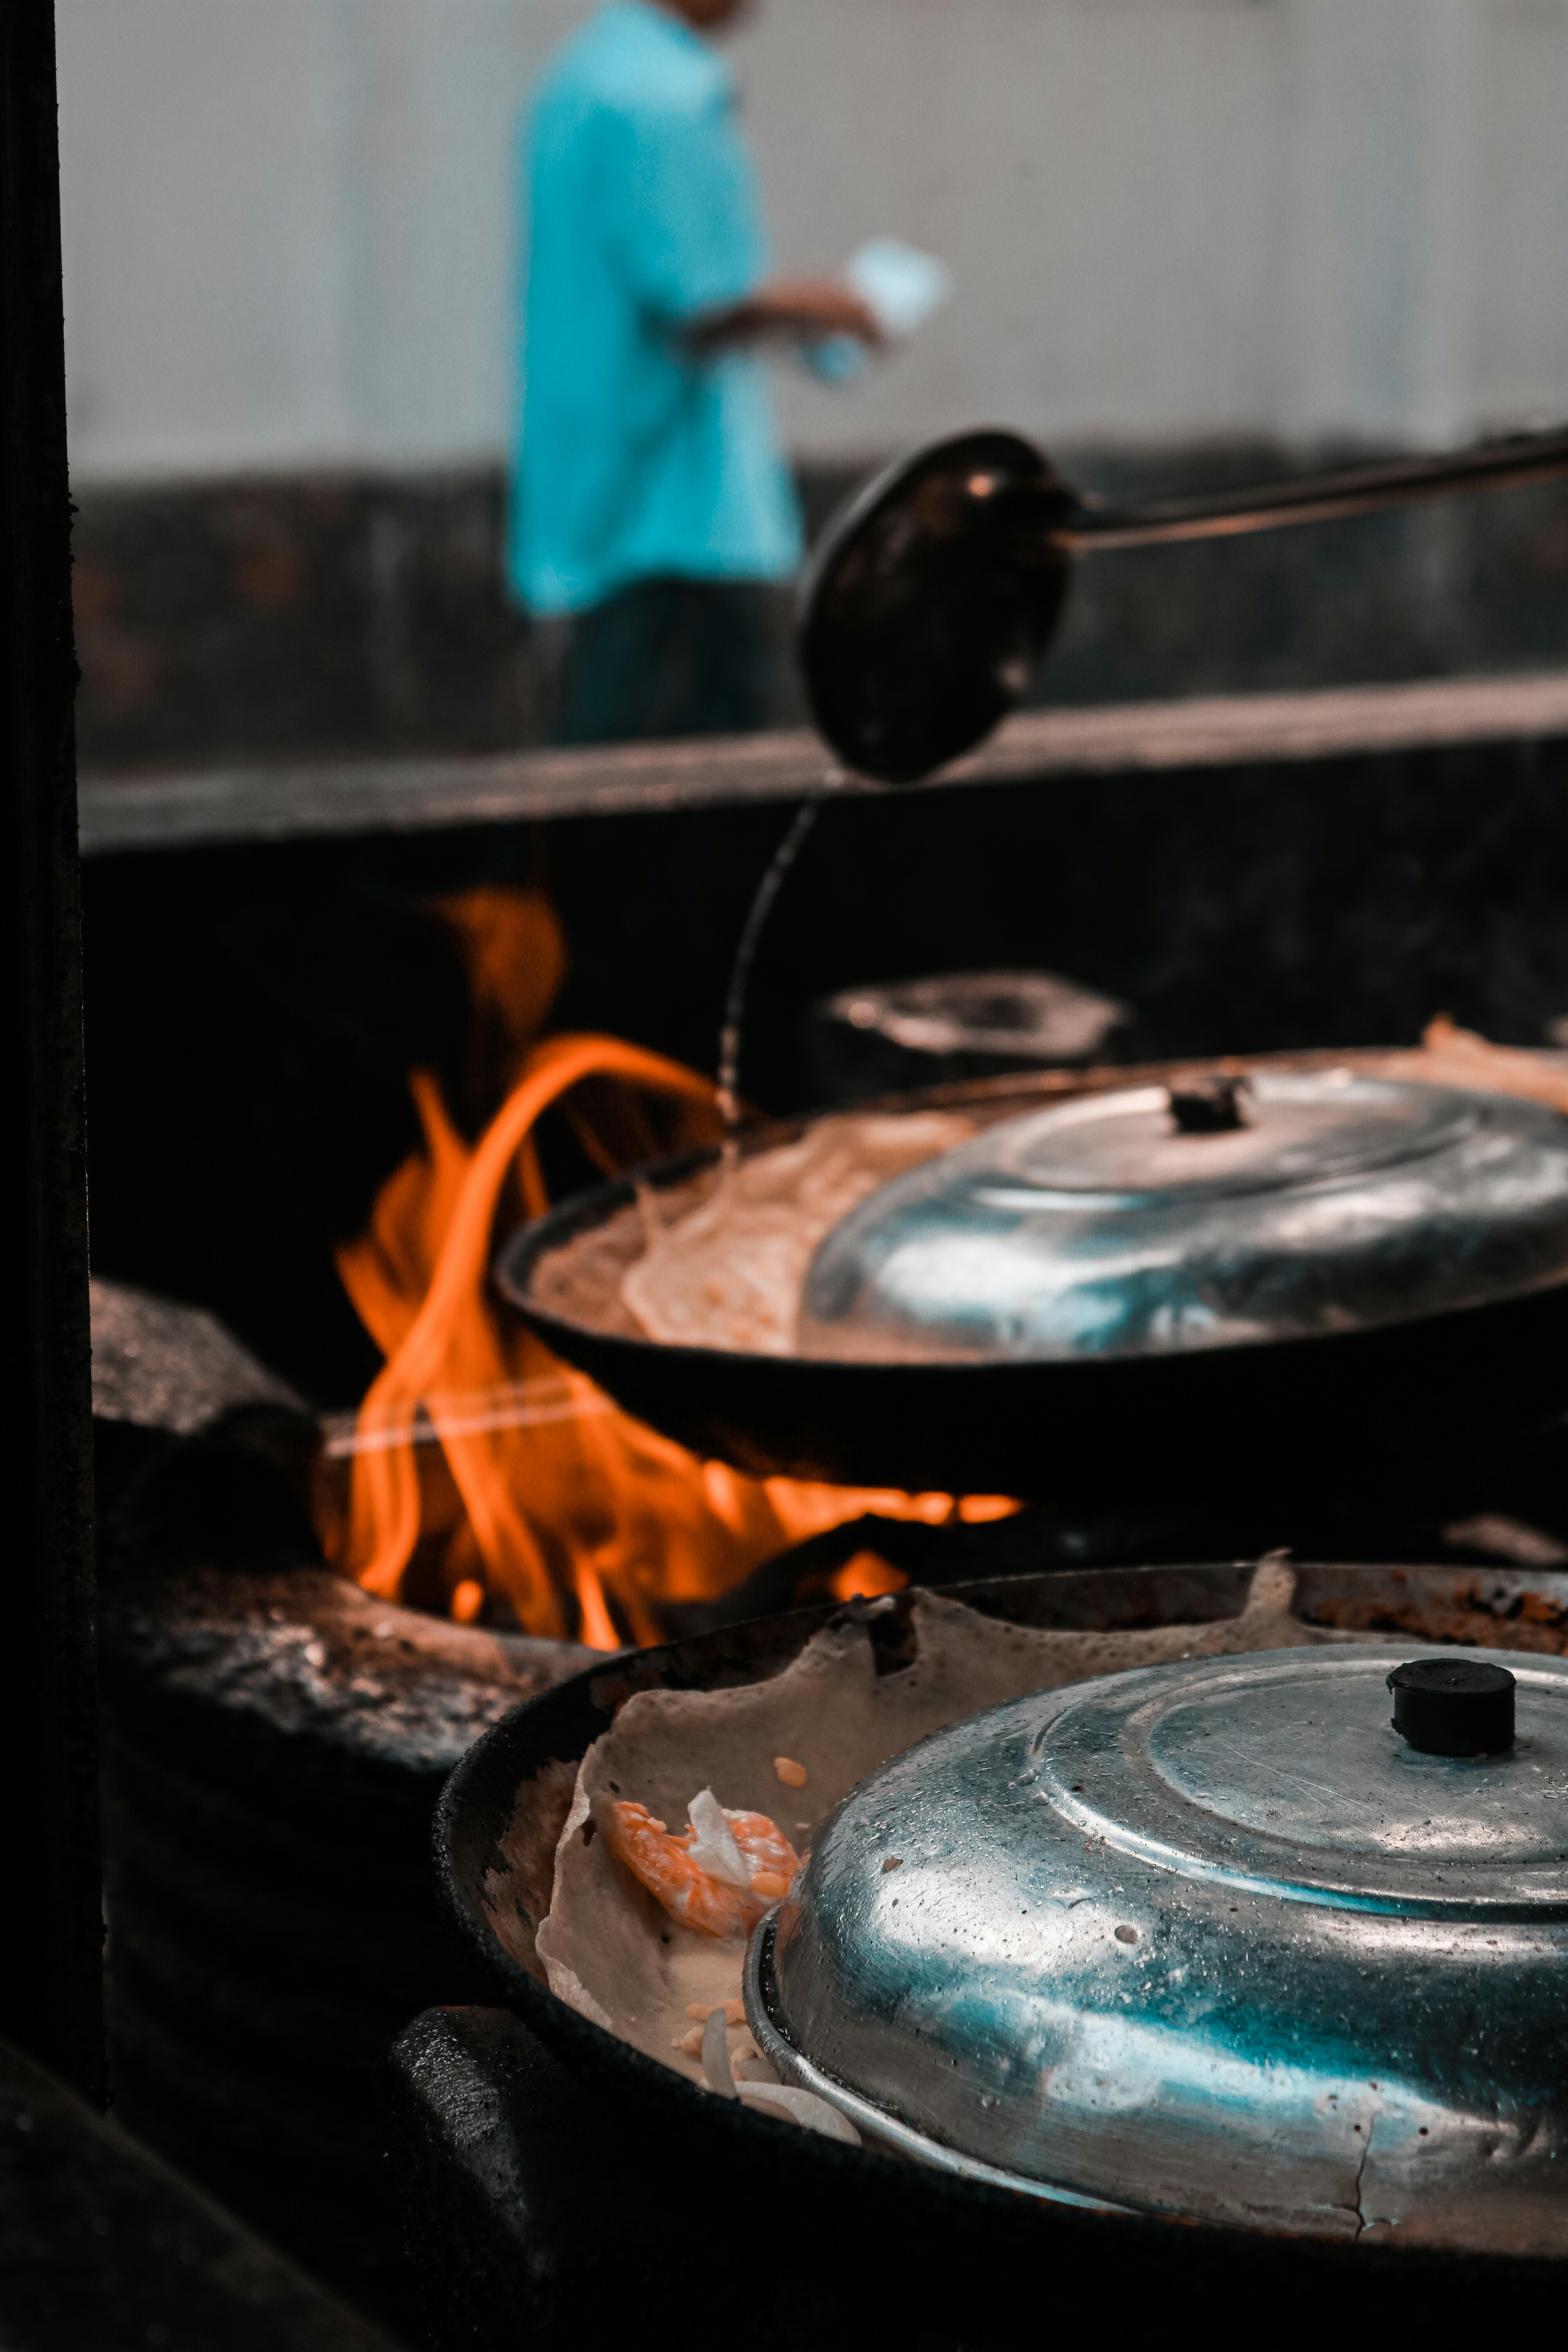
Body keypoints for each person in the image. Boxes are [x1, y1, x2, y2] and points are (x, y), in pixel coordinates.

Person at [509, 0, 880, 743]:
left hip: (599, 483)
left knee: (601, 751)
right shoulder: (664, 96)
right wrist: (834, 307)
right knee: (688, 774)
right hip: (675, 509)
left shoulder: (583, 79)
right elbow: (703, 299)